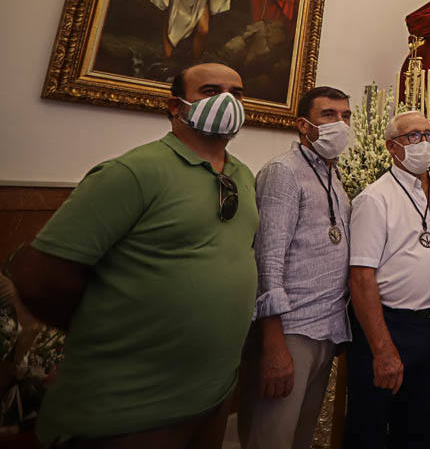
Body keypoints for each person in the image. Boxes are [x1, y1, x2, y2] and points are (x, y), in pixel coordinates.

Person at [7, 63, 256, 448]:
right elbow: (41, 277)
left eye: (237, 93)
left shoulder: (243, 176)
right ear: (176, 107)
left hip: (212, 396)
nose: (227, 101)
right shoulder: (133, 171)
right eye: (210, 90)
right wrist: (104, 333)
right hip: (133, 407)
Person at [239, 86, 354, 449]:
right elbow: (267, 259)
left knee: (300, 437)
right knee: (271, 438)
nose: (341, 123)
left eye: (345, 116)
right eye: (329, 115)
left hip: (326, 327)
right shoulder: (283, 172)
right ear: (304, 126)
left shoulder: (334, 178)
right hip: (288, 331)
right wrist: (273, 345)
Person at [345, 109, 430, 448]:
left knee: (417, 427)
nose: (425, 143)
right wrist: (382, 348)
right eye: (414, 136)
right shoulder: (375, 199)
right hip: (390, 326)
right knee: (372, 427)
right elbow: (361, 279)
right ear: (393, 147)